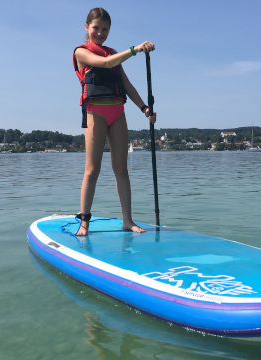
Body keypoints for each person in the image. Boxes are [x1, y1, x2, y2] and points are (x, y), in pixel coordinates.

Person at [73, 7, 156, 236]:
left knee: (121, 168)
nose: (100, 33)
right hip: (95, 113)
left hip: (117, 112)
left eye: (105, 29)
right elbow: (107, 63)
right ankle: (84, 222)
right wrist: (135, 49)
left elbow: (126, 85)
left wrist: (144, 108)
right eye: (96, 28)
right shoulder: (81, 52)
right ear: (87, 27)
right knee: (92, 169)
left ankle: (127, 220)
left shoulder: (113, 53)